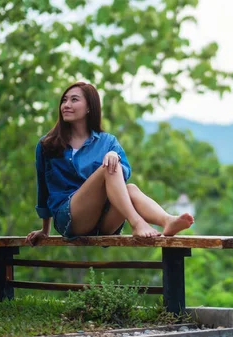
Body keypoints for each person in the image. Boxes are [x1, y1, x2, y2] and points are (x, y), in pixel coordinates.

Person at [25, 82, 194, 246]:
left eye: (74, 100)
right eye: (64, 100)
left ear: (89, 107)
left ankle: (166, 220)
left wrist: (114, 156)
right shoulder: (47, 144)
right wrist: (44, 230)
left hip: (103, 221)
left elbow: (124, 173)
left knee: (130, 187)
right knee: (109, 167)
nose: (66, 105)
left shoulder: (107, 141)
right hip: (70, 218)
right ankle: (137, 223)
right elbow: (43, 189)